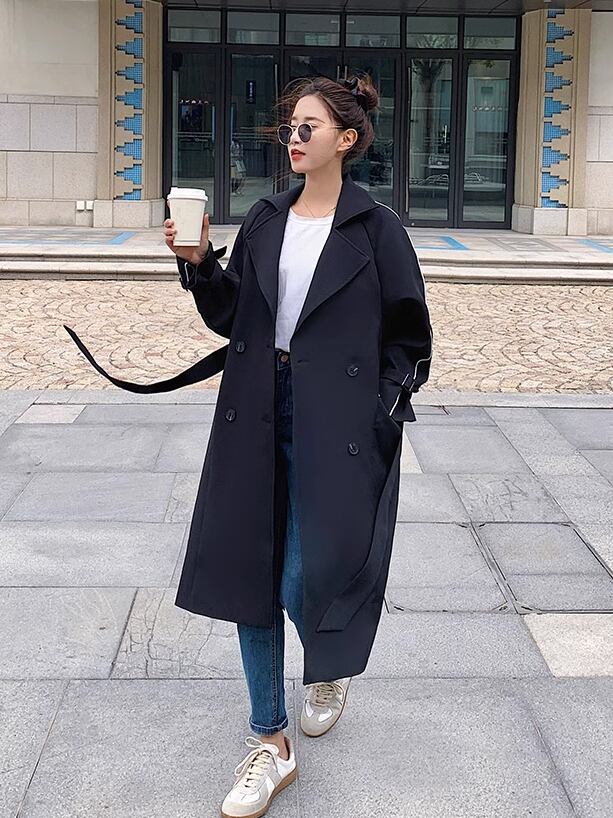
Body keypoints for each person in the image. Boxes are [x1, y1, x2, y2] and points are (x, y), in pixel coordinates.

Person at [164, 74, 433, 818]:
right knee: (251, 575)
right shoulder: (265, 218)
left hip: (336, 421)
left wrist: (382, 408)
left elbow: (410, 337)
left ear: (345, 140)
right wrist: (199, 263)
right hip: (256, 408)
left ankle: (327, 665)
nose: (294, 136)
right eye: (290, 126)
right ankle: (270, 740)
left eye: (308, 126)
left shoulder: (376, 230)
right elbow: (231, 317)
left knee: (297, 578)